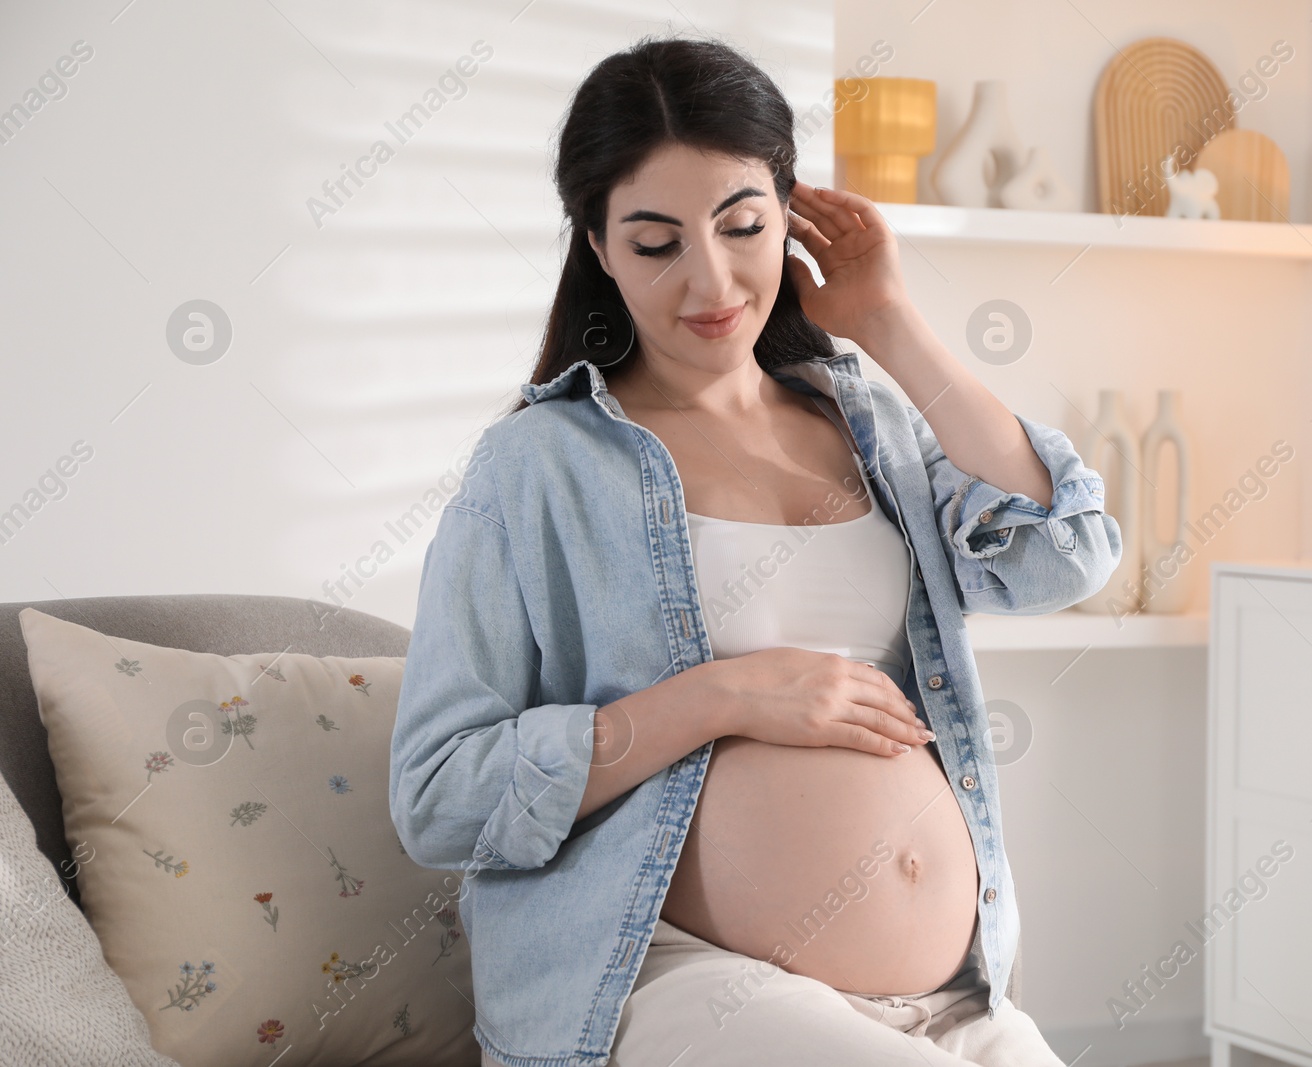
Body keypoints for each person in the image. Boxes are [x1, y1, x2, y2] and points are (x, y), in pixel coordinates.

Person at [389, 32, 1122, 1067]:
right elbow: (439, 795)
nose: (712, 279)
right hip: (676, 976)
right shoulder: (537, 467)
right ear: (596, 248)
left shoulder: (868, 420)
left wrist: (888, 319)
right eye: (655, 243)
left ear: (789, 213)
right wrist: (723, 696)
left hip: (952, 994)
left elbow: (1067, 554)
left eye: (742, 225)